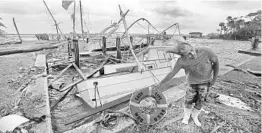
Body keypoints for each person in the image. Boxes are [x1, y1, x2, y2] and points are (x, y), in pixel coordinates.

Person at [157, 39, 219, 127]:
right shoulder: (181, 61)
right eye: (188, 54)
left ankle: (195, 116)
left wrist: (214, 79)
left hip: (205, 82)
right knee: (188, 100)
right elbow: (172, 74)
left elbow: (216, 63)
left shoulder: (206, 51)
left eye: (192, 50)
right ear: (182, 56)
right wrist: (160, 83)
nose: (192, 54)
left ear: (192, 46)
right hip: (192, 82)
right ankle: (186, 116)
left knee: (201, 101)